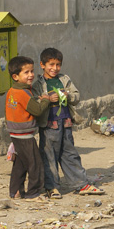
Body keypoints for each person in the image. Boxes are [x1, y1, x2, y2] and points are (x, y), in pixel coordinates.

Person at [32, 47, 105, 199]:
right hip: (48, 125)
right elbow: (34, 102)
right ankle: (52, 187)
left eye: (58, 65)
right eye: (51, 64)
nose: (55, 68)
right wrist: (47, 98)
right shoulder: (38, 84)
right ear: (42, 65)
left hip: (65, 123)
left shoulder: (64, 79)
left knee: (70, 153)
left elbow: (77, 96)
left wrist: (68, 95)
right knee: (49, 156)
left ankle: (80, 183)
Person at [5, 56, 50, 200]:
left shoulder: (12, 91)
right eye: (26, 72)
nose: (31, 75)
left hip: (15, 134)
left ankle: (16, 191)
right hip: (24, 135)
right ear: (15, 76)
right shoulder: (23, 93)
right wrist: (46, 100)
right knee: (35, 165)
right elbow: (36, 110)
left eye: (32, 71)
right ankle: (33, 193)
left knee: (21, 164)